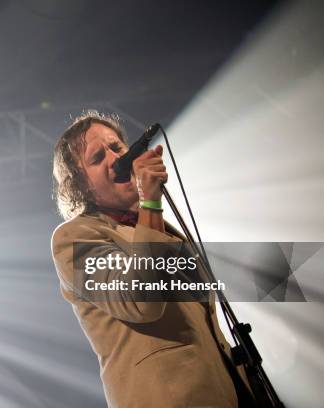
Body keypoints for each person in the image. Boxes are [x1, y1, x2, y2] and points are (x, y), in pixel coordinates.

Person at [50, 111, 254, 407]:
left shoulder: (159, 229)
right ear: (81, 186)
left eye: (117, 148)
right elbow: (140, 300)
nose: (116, 159)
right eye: (97, 158)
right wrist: (150, 201)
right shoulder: (73, 238)